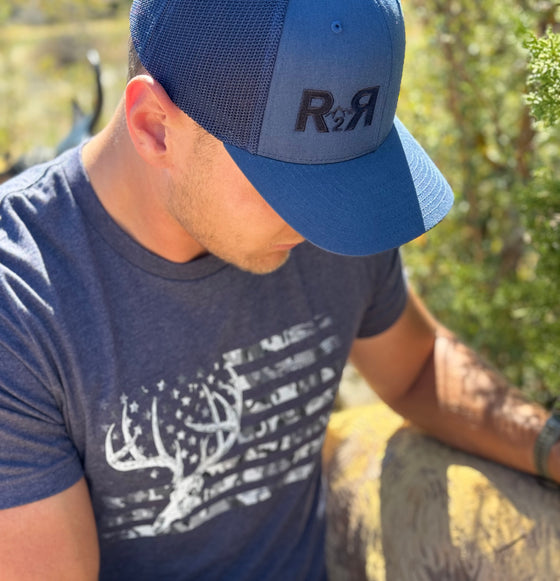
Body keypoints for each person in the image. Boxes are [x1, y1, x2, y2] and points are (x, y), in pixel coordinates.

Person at [0, 0, 557, 579]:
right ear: (154, 128)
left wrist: (550, 446)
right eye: (292, 183)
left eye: (345, 172)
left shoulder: (336, 219)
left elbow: (415, 367)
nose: (328, 222)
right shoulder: (21, 310)